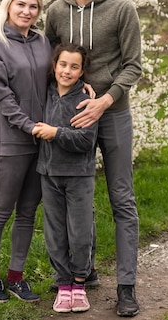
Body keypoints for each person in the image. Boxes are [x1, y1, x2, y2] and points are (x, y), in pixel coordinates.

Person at [45, 0, 143, 317]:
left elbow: (133, 65)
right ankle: (84, 272)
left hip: (113, 115)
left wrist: (105, 100)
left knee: (121, 197)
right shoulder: (56, 11)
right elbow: (52, 64)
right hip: (72, 118)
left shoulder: (122, 9)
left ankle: (127, 286)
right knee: (75, 193)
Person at [0, 0, 53, 303]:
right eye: (21, 4)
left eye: (33, 6)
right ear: (9, 4)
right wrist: (29, 126)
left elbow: (54, 84)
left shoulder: (41, 42)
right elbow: (1, 96)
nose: (27, 10)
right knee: (1, 209)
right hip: (11, 141)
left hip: (42, 141)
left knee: (27, 212)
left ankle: (16, 276)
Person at [34, 43, 98, 313]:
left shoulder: (85, 100)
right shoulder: (44, 93)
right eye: (62, 64)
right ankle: (62, 282)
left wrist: (55, 133)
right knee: (55, 231)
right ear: (54, 65)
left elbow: (86, 140)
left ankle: (80, 281)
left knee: (80, 230)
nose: (67, 71)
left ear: (82, 71)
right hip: (49, 174)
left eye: (74, 66)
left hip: (78, 176)